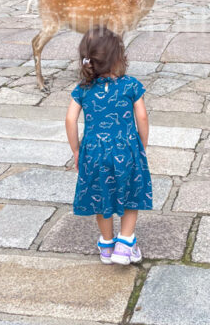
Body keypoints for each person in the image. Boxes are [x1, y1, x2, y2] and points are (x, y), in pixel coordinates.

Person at [65, 26, 151, 265]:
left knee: (101, 197)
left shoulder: (82, 89)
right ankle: (125, 243)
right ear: (118, 57)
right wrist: (141, 146)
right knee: (131, 193)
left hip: (93, 152)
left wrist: (76, 150)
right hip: (126, 148)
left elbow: (70, 119)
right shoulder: (131, 85)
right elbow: (142, 117)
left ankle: (106, 245)